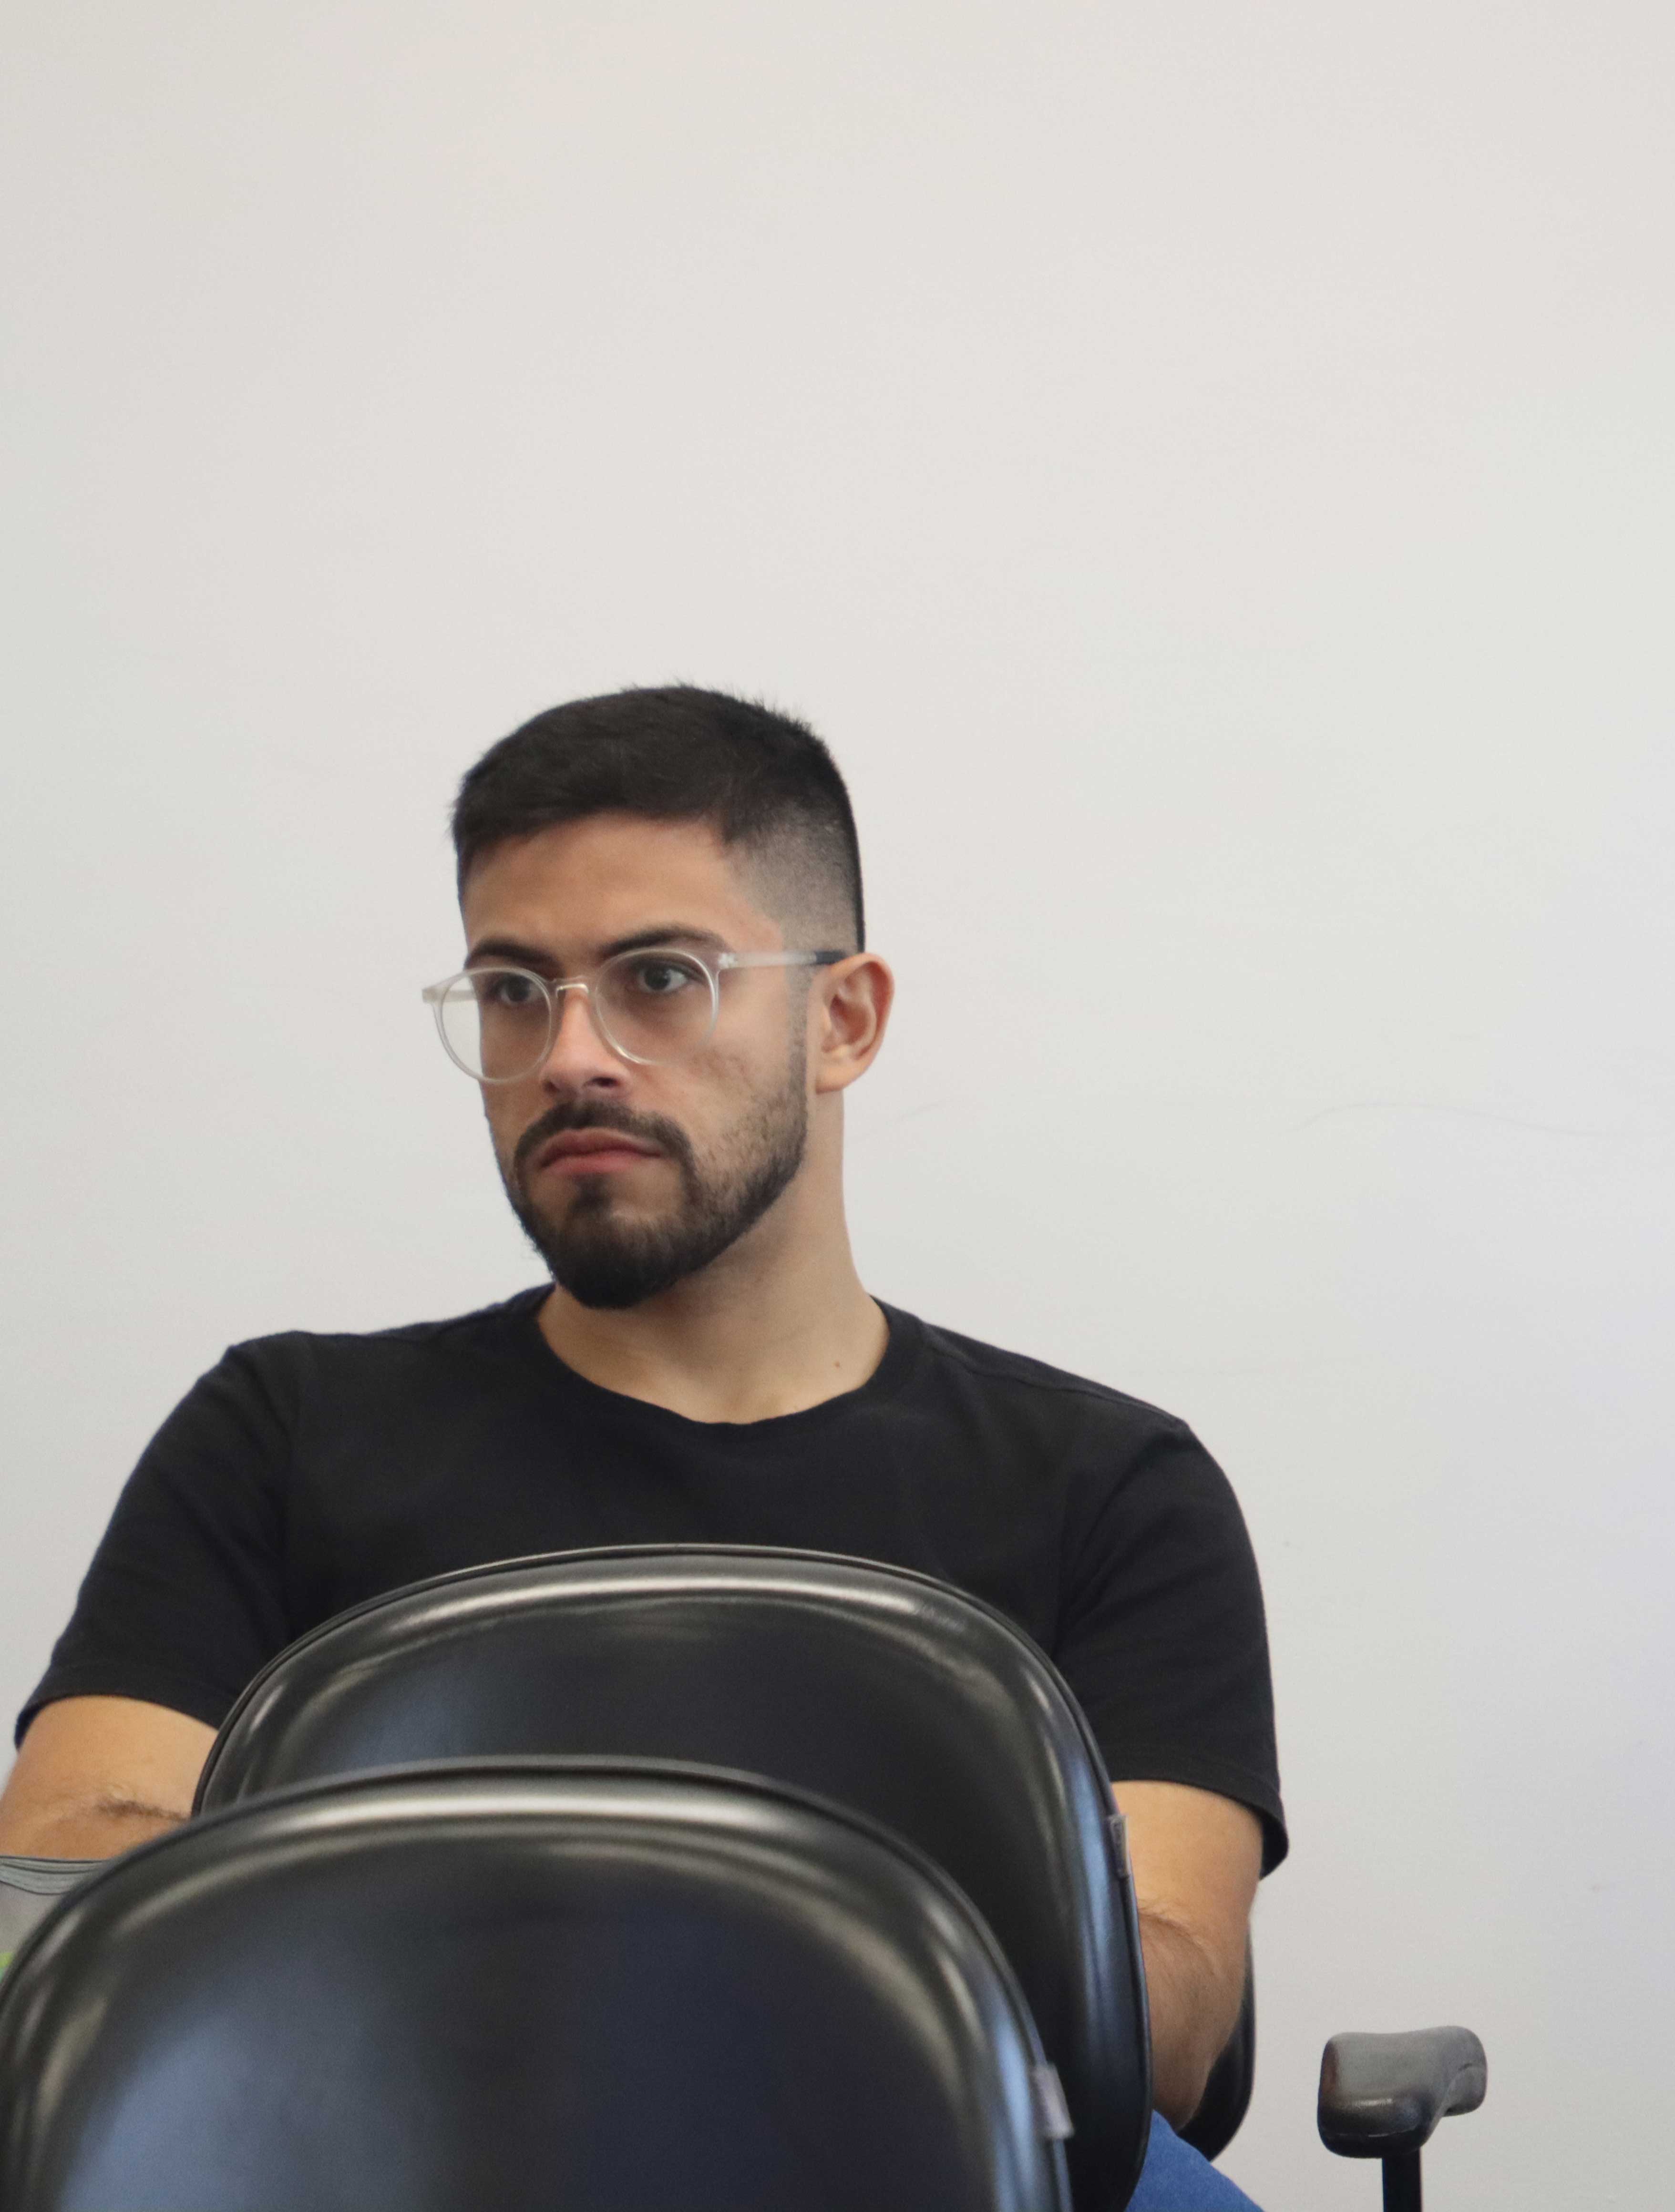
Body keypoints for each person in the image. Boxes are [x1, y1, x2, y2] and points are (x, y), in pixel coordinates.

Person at [0, 688, 1275, 2211]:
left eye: (659, 979)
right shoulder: (279, 1433)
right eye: (512, 990)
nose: (569, 1056)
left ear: (844, 1021)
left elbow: (1168, 2017)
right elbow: (62, 1872)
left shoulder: (1111, 1488)